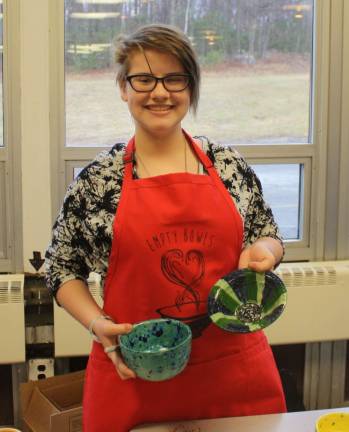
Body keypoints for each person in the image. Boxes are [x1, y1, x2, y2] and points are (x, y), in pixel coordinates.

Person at [45, 23, 286, 432]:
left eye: (174, 78)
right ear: (123, 87)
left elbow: (267, 230)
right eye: (144, 78)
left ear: (191, 88)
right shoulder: (98, 181)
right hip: (135, 374)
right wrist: (96, 323)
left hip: (233, 376)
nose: (160, 92)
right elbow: (61, 267)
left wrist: (266, 251)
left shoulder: (227, 165)